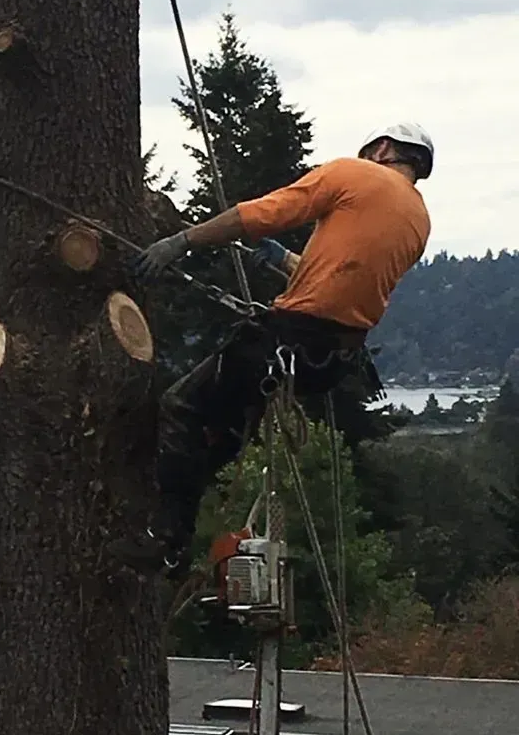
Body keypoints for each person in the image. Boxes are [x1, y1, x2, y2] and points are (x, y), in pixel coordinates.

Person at [109, 123, 434, 578]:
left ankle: (166, 542)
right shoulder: (418, 221)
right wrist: (283, 260)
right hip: (327, 358)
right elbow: (340, 279)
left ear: (381, 149)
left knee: (180, 406)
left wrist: (180, 242)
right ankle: (175, 522)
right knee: (216, 436)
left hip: (284, 339)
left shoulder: (354, 174)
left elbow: (263, 213)